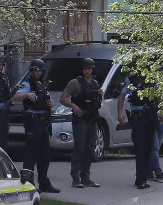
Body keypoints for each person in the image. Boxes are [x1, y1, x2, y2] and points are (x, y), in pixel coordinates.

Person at [13, 59, 60, 193]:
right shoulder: (27, 83)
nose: (38, 73)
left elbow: (46, 99)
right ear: (32, 71)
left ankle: (44, 183)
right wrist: (26, 95)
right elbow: (15, 95)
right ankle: (28, 184)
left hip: (43, 121)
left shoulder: (42, 85)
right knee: (31, 154)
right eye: (35, 71)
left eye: (40, 71)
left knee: (44, 155)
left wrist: (49, 103)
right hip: (32, 121)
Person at [59, 58, 103, 188]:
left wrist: (101, 94)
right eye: (85, 68)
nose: (87, 71)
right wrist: (74, 106)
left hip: (92, 119)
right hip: (80, 119)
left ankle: (86, 176)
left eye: (89, 68)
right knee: (79, 148)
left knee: (90, 149)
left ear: (92, 70)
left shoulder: (95, 83)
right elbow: (63, 98)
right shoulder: (75, 83)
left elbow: (97, 102)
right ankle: (75, 177)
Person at [117, 74, 159, 189]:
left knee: (149, 148)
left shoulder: (153, 77)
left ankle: (143, 176)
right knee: (140, 148)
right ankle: (141, 179)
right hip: (137, 117)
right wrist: (120, 113)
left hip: (151, 116)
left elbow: (160, 96)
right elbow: (122, 96)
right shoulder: (131, 79)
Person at [148, 113, 163, 182]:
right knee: (155, 147)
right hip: (152, 119)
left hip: (161, 120)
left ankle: (149, 171)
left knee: (156, 148)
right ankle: (158, 171)